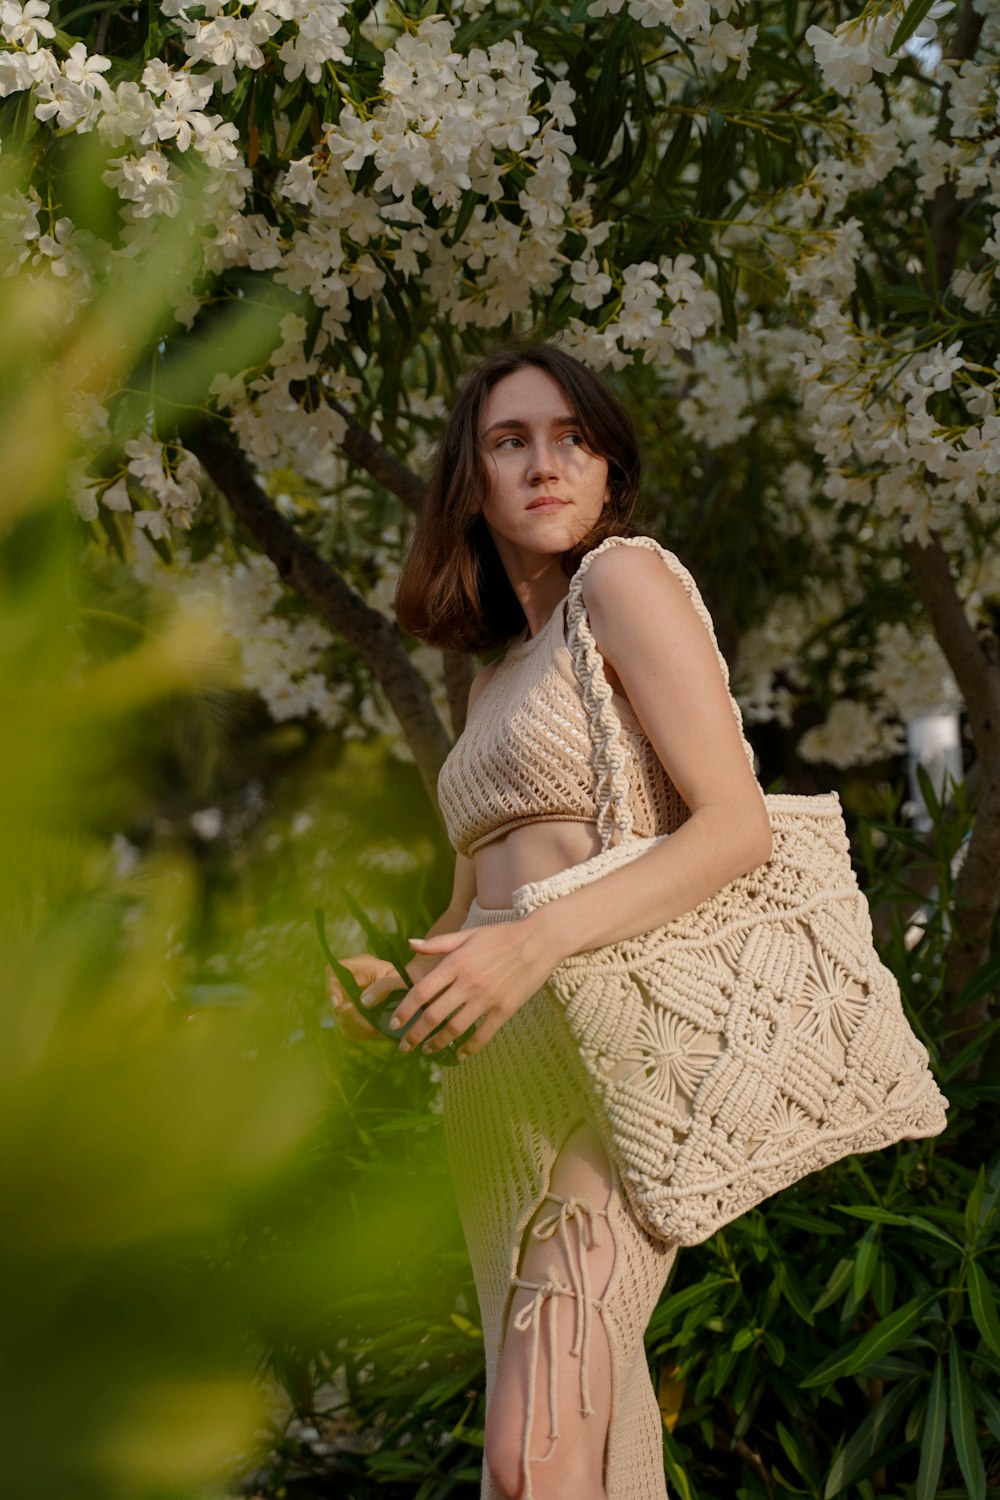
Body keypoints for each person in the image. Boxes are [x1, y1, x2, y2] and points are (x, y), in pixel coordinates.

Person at [327, 343, 772, 1500]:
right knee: (559, 1448)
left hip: (625, 1050)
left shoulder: (623, 583)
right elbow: (478, 897)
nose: (544, 463)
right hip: (503, 1078)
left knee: (538, 1456)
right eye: (509, 440)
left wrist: (533, 940)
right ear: (469, 482)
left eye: (572, 437)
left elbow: (734, 828)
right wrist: (402, 980)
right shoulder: (493, 677)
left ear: (611, 473)